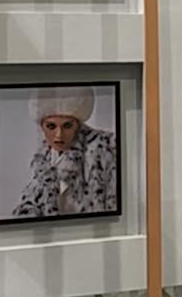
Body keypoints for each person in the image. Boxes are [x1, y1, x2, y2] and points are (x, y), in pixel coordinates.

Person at [12, 86, 117, 217]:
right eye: (51, 126)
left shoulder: (103, 150)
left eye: (67, 126)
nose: (59, 135)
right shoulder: (43, 161)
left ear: (78, 125)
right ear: (41, 126)